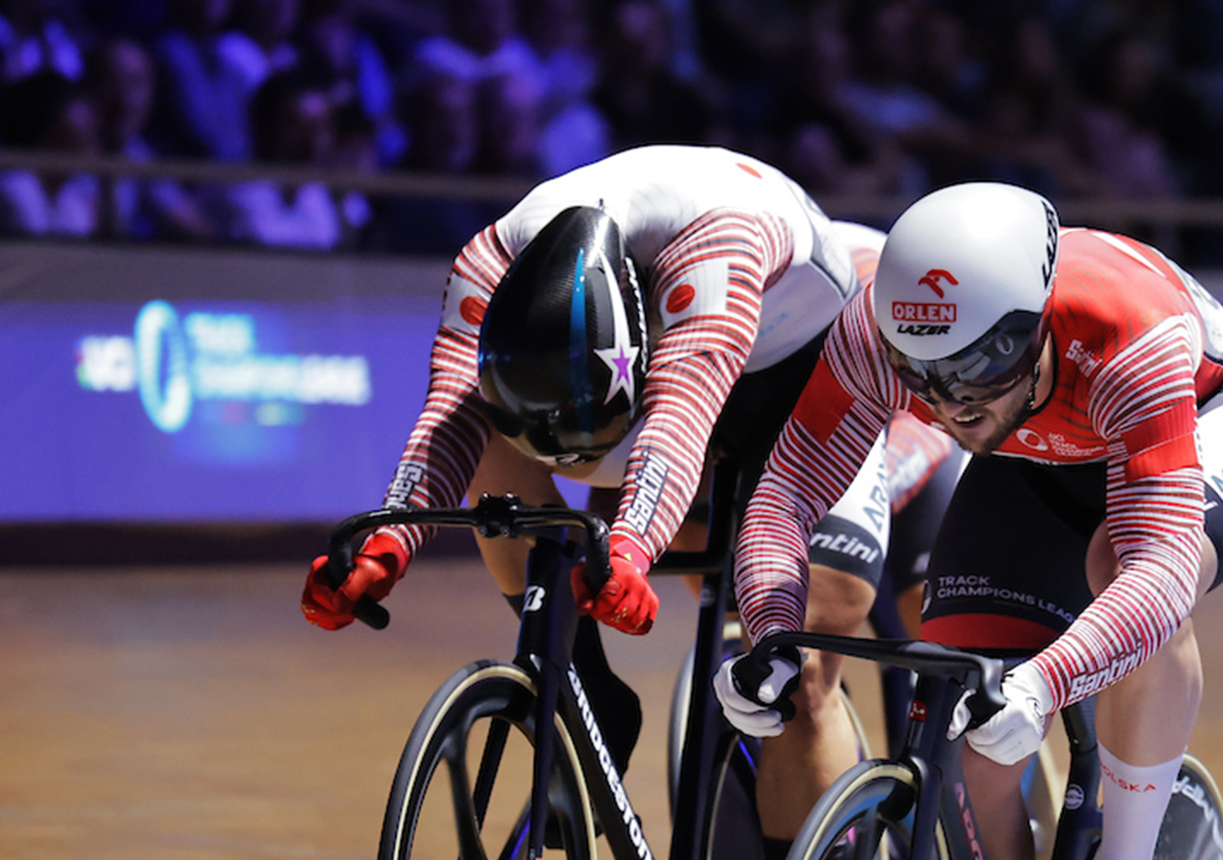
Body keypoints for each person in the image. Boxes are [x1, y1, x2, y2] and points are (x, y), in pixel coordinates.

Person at [721, 182, 1223, 860]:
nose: (951, 405)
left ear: (1036, 321)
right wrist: (773, 631)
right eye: (927, 378)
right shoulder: (875, 329)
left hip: (1206, 418)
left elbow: (1159, 575)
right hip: (1034, 458)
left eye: (977, 370)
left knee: (1117, 563)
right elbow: (788, 494)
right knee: (963, 735)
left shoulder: (1127, 332)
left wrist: (1045, 679)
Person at [297, 146, 947, 807]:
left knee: (799, 675)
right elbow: (450, 417)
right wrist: (390, 543)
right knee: (493, 437)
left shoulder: (720, 242)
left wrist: (632, 547)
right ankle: (587, 693)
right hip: (660, 373)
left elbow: (681, 419)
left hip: (792, 379)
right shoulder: (486, 265)